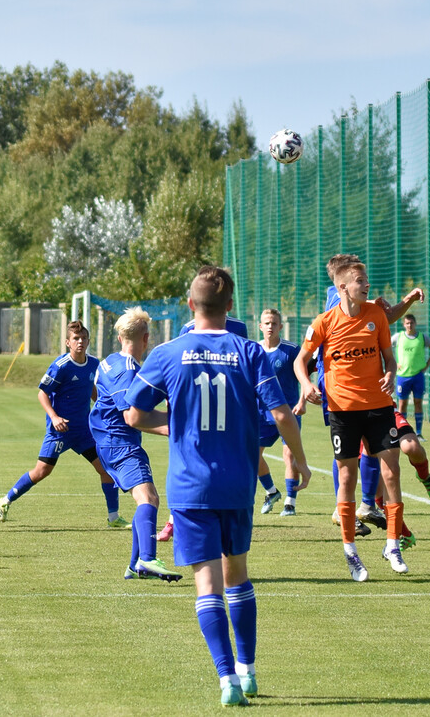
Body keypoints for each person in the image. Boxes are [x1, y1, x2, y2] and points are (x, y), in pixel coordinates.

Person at [125, 266, 311, 706]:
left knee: (206, 583)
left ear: (190, 306)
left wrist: (177, 422)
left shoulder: (169, 353)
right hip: (238, 484)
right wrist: (299, 461)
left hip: (190, 489)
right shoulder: (249, 352)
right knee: (238, 575)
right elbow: (283, 414)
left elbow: (133, 414)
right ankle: (248, 671)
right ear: (231, 307)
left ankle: (227, 679)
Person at [295, 259, 407, 581]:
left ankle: (393, 545)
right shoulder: (324, 322)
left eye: (366, 279)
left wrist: (389, 374)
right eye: (360, 280)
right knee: (347, 478)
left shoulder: (376, 317)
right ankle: (350, 551)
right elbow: (301, 362)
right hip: (343, 410)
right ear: (343, 287)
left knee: (392, 470)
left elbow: (390, 359)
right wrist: (306, 385)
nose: (366, 284)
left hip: (379, 405)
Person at [0, 321, 124, 526]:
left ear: (89, 341)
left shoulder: (93, 364)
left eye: (83, 338)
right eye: (75, 338)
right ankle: (5, 500)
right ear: (67, 342)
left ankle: (113, 517)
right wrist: (54, 418)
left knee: (105, 469)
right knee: (41, 472)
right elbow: (42, 393)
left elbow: (91, 390)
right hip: (60, 431)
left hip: (84, 431)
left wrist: (103, 409)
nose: (80, 342)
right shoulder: (60, 366)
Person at [88, 307, 181, 582]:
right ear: (146, 340)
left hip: (111, 441)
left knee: (148, 498)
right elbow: (131, 416)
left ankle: (134, 566)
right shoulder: (127, 370)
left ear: (119, 336)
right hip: (120, 443)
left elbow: (100, 397)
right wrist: (176, 424)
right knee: (148, 499)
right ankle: (148, 559)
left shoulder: (107, 362)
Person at [159, 311, 251, 542]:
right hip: (196, 411)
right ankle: (174, 521)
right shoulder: (189, 327)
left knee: (227, 466)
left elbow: (244, 370)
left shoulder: (239, 327)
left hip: (229, 413)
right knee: (191, 467)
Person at [255, 309, 303, 516]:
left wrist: (302, 401)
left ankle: (290, 502)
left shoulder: (291, 350)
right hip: (261, 413)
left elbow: (304, 376)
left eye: (274, 323)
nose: (270, 327)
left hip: (289, 412)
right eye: (266, 323)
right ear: (260, 326)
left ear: (281, 327)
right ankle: (271, 491)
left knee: (289, 455)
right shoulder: (253, 350)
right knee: (252, 456)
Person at [391, 314, 430, 439]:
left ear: (415, 323)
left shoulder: (422, 338)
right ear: (403, 324)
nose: (409, 325)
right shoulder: (398, 337)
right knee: (402, 404)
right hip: (402, 376)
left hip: (418, 376)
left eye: (411, 323)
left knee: (418, 403)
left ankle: (418, 433)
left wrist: (427, 365)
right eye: (407, 323)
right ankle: (402, 432)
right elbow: (385, 346)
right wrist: (394, 363)